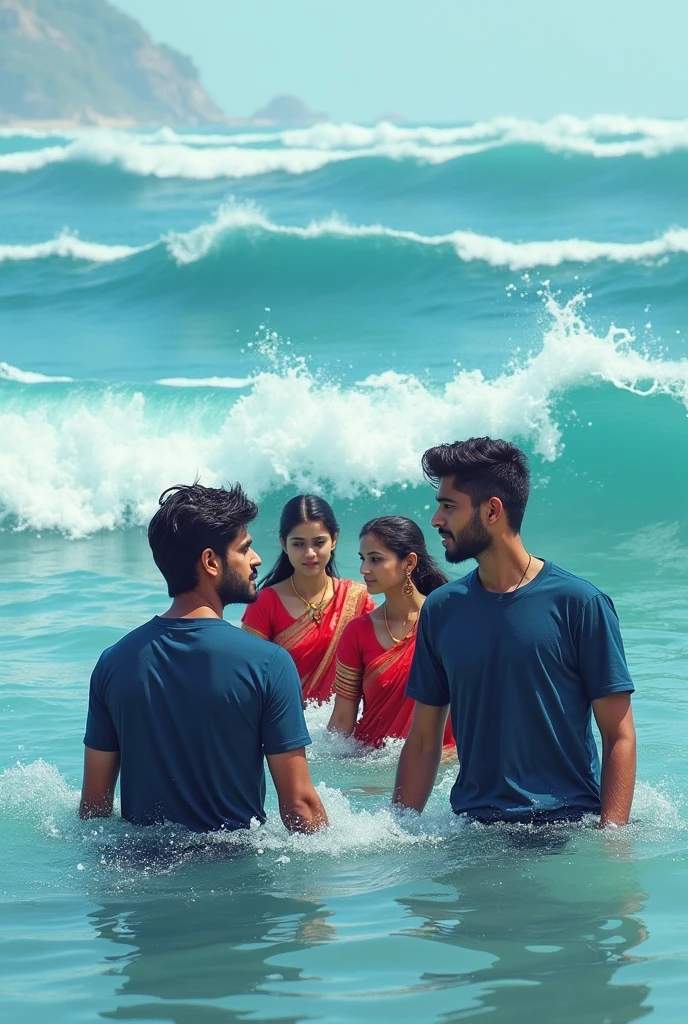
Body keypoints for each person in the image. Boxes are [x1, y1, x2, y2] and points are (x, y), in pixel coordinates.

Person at [393, 437, 637, 827]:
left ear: (492, 510)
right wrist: (398, 835)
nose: (436, 519)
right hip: (472, 828)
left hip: (566, 827)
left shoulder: (579, 603)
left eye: (448, 506)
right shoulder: (441, 608)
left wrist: (613, 842)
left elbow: (619, 735)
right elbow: (423, 740)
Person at [79, 483, 328, 834]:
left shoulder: (114, 662)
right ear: (211, 561)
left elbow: (93, 809)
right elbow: (300, 807)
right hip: (231, 877)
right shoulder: (268, 663)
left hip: (139, 875)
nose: (256, 560)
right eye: (245, 549)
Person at [327, 516, 454, 750]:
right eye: (363, 559)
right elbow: (342, 720)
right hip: (370, 768)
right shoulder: (357, 632)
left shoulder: (447, 621)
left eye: (375, 559)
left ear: (409, 562)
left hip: (439, 764)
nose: (364, 569)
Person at [241, 495, 373, 702]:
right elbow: (249, 678)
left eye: (319, 542)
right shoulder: (264, 603)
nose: (310, 553)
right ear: (284, 544)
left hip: (343, 726)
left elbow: (372, 673)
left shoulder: (357, 598)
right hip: (284, 723)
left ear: (334, 540)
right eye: (299, 544)